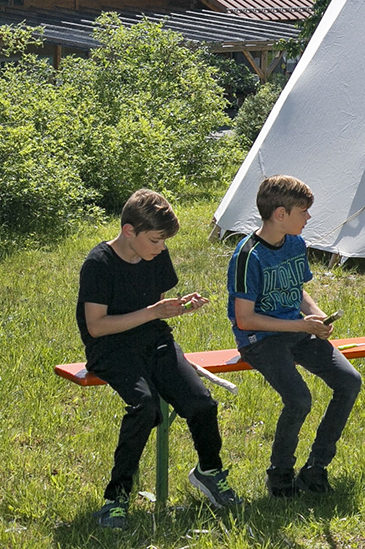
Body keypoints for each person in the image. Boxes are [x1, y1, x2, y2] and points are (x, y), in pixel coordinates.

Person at [77, 189, 240, 529]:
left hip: (155, 341)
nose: (162, 248)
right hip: (110, 349)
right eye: (155, 240)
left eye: (164, 241)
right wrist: (153, 312)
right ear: (128, 231)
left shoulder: (155, 256)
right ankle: (116, 498)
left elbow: (154, 306)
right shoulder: (98, 264)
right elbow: (96, 327)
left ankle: (209, 472)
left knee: (202, 404)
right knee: (145, 408)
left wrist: (175, 307)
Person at [227, 175, 363, 498]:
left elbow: (298, 290)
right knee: (299, 399)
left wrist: (314, 314)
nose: (309, 218)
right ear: (280, 214)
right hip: (259, 341)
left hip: (296, 331)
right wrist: (303, 326)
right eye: (303, 211)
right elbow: (245, 319)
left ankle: (315, 468)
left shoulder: (295, 244)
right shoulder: (248, 256)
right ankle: (280, 474)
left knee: (349, 381)